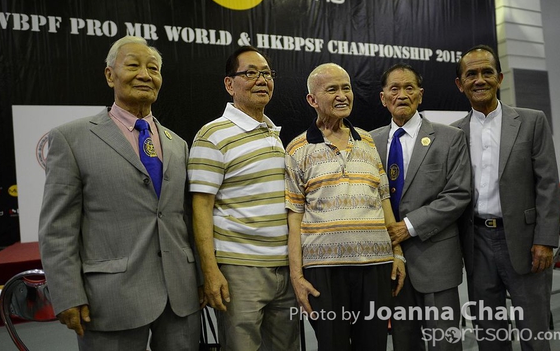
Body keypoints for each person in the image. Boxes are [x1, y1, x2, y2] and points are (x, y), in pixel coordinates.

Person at [38, 36, 202, 351]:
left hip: (180, 298)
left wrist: (201, 278)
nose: (145, 75)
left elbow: (186, 218)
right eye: (133, 66)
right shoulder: (71, 139)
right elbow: (57, 228)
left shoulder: (178, 144)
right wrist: (67, 294)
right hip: (110, 300)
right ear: (110, 75)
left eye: (153, 69)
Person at [285, 63, 406, 351]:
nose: (342, 95)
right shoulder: (297, 149)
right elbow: (294, 220)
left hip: (376, 267)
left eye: (346, 88)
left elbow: (384, 200)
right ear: (312, 100)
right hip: (323, 273)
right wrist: (297, 276)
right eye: (332, 89)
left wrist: (398, 253)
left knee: (374, 346)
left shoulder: (368, 141)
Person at [187, 46, 299, 351]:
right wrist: (210, 272)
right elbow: (200, 208)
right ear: (229, 84)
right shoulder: (212, 135)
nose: (261, 80)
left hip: (284, 268)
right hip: (240, 270)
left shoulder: (272, 133)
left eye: (266, 73)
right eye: (250, 73)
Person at [453, 45, 560, 351]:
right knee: (489, 334)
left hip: (526, 243)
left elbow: (548, 184)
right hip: (477, 244)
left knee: (534, 332)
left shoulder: (532, 121)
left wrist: (545, 240)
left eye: (487, 72)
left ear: (499, 78)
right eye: (471, 74)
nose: (479, 80)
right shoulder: (454, 134)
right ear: (460, 84)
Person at [370, 63, 471, 351]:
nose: (402, 94)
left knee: (444, 344)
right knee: (404, 343)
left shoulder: (450, 137)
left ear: (421, 94)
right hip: (391, 263)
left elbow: (458, 194)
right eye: (394, 89)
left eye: (409, 88)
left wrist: (408, 227)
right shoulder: (368, 142)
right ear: (383, 98)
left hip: (436, 261)